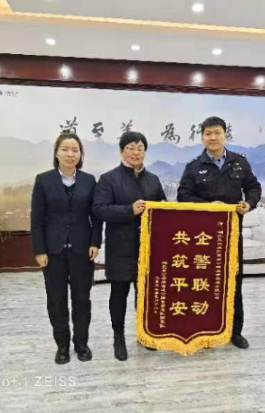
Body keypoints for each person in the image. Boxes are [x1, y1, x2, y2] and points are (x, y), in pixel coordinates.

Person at [177, 116, 261, 349]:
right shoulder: (194, 166)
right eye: (208, 133)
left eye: (217, 133)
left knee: (233, 281)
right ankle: (203, 330)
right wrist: (208, 206)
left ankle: (235, 331)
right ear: (202, 137)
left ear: (225, 135)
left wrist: (249, 203)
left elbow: (254, 187)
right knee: (203, 283)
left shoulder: (239, 162)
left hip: (231, 233)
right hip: (202, 237)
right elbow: (183, 196)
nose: (212, 137)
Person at [93, 131, 166, 361]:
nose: (136, 152)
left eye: (140, 148)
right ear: (121, 151)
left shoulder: (153, 179)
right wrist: (129, 210)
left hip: (149, 248)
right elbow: (99, 209)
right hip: (120, 248)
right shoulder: (109, 179)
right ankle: (118, 338)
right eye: (131, 148)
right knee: (119, 294)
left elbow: (163, 208)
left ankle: (144, 333)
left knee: (144, 294)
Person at [31, 131, 102, 364]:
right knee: (56, 300)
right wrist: (39, 250)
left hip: (82, 250)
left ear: (80, 155)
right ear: (56, 153)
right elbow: (37, 218)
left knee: (82, 299)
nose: (70, 154)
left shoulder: (89, 181)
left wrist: (95, 242)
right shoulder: (43, 180)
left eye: (75, 150)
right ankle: (62, 346)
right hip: (53, 252)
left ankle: (81, 344)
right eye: (65, 149)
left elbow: (96, 217)